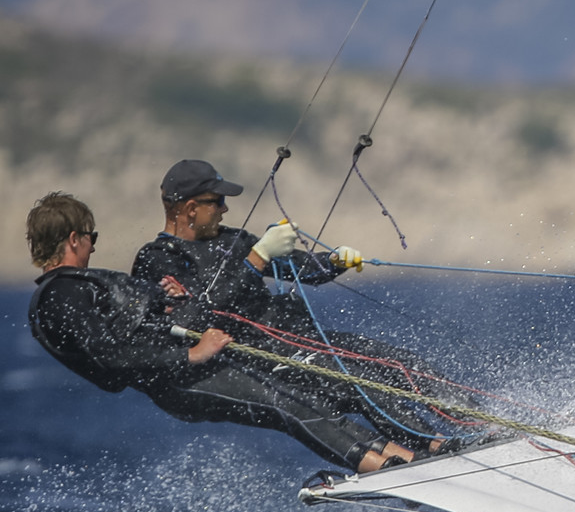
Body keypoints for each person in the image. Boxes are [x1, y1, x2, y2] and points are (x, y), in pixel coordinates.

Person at [26, 192, 417, 474]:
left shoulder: (71, 287)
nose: (94, 248)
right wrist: (191, 355)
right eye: (92, 238)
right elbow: (109, 356)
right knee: (285, 402)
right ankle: (380, 466)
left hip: (186, 366)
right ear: (74, 238)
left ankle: (404, 459)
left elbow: (131, 322)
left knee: (299, 396)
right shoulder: (59, 293)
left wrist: (164, 298)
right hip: (178, 377)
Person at [130, 159, 473, 452]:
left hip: (301, 339)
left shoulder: (233, 240)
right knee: (359, 380)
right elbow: (199, 314)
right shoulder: (158, 259)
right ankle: (432, 446)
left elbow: (300, 268)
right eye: (217, 201)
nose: (224, 209)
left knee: (401, 363)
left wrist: (335, 260)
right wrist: (257, 257)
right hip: (258, 357)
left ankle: (481, 426)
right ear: (192, 208)